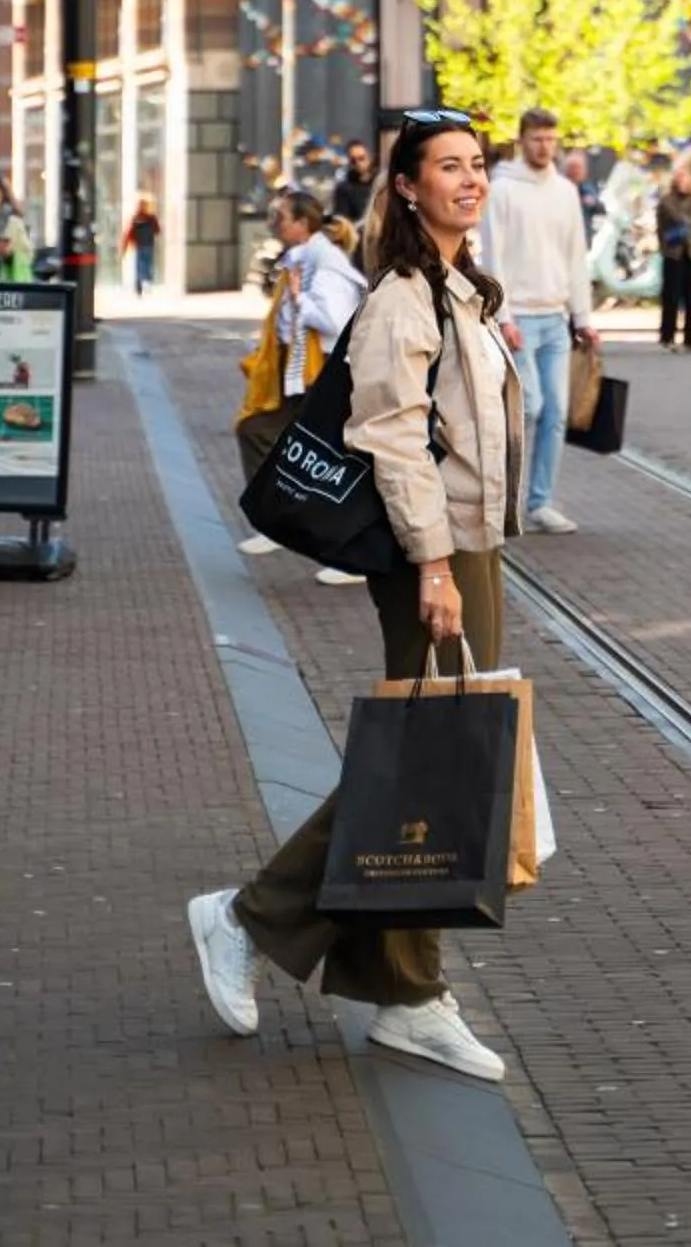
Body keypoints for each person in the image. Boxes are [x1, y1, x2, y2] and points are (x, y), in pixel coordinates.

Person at [188, 109, 523, 1083]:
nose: (468, 181)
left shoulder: (458, 288)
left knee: (436, 764)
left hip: (470, 544)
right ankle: (253, 918)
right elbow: (389, 439)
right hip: (439, 552)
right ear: (406, 188)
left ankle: (402, 991)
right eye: (447, 168)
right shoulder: (402, 299)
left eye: (476, 166)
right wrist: (428, 565)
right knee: (430, 766)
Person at [236, 189, 369, 581]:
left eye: (281, 217)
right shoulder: (301, 259)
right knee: (257, 431)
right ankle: (277, 518)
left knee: (331, 462)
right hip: (299, 376)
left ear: (302, 224)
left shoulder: (326, 268)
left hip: (324, 374)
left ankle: (351, 555)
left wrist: (300, 299)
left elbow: (337, 322)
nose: (274, 223)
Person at [480, 107, 596, 536]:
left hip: (556, 316)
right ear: (522, 140)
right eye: (537, 139)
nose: (545, 147)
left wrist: (582, 317)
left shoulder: (565, 191)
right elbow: (493, 256)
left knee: (557, 412)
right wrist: (503, 314)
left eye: (551, 139)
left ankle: (541, 501)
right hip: (520, 318)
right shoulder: (503, 189)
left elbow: (575, 256)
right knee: (528, 406)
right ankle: (500, 497)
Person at [657, 156, 691, 351]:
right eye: (681, 178)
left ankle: (689, 337)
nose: (686, 182)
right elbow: (677, 218)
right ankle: (667, 336)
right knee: (671, 297)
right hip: (673, 252)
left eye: (688, 178)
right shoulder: (667, 201)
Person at [330, 139, 376, 228]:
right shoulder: (344, 188)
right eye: (353, 161)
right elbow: (342, 221)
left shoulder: (380, 183)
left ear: (369, 158)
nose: (358, 163)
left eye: (361, 158)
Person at [124, 191, 161, 298]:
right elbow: (129, 232)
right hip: (141, 246)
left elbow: (157, 230)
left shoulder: (148, 217)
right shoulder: (138, 217)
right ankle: (140, 286)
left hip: (147, 245)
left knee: (145, 265)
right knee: (141, 266)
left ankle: (144, 283)